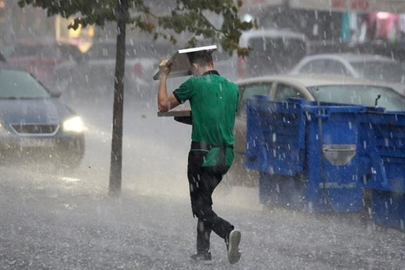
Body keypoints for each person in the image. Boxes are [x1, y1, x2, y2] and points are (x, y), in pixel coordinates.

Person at [157, 50, 241, 265]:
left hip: (202, 155)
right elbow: (218, 117)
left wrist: (164, 75)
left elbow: (163, 104)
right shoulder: (232, 88)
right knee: (205, 201)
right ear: (212, 62)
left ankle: (227, 231)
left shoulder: (194, 84)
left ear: (194, 67)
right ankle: (203, 252)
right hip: (225, 156)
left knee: (199, 207)